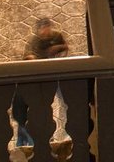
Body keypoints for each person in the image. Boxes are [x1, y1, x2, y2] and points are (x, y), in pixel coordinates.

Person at [13, 18, 71, 147]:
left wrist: (57, 50)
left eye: (46, 27)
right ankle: (26, 137)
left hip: (51, 74)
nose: (45, 31)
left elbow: (65, 47)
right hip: (39, 75)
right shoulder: (35, 42)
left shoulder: (56, 36)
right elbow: (30, 56)